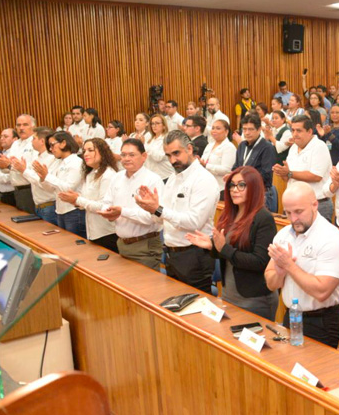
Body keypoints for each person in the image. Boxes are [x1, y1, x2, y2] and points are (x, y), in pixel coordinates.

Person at [265, 182, 339, 348]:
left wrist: (289, 266)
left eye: (298, 212)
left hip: (321, 321)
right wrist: (280, 273)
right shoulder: (283, 235)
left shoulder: (332, 238)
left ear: (315, 205)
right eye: (288, 213)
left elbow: (322, 291)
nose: (293, 219)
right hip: (291, 316)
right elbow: (270, 283)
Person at [187, 166, 279, 320]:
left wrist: (223, 248)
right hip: (229, 294)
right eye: (232, 185)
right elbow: (228, 251)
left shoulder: (264, 218)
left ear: (254, 188)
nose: (235, 190)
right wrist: (213, 246)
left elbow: (260, 262)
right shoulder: (230, 214)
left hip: (254, 299)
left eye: (241, 185)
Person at [133, 131, 218, 293]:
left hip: (194, 255)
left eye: (176, 153)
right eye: (168, 156)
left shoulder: (204, 179)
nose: (172, 160)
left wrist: (158, 209)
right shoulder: (173, 178)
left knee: (196, 307)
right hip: (171, 253)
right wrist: (150, 208)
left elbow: (194, 222)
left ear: (190, 149)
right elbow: (161, 220)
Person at [97, 139, 164, 269]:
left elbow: (153, 217)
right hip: (122, 244)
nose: (126, 159)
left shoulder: (153, 180)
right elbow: (107, 202)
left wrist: (122, 211)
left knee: (144, 282)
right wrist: (108, 212)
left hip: (144, 245)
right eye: (123, 155)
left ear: (144, 156)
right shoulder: (117, 177)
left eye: (132, 155)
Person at [58, 138, 119, 252]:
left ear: (103, 152)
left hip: (107, 232)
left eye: (90, 150)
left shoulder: (108, 174)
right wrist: (75, 200)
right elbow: (87, 201)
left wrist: (78, 199)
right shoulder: (90, 174)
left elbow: (104, 207)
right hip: (93, 231)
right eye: (84, 151)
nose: (85, 154)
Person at [273, 115, 333, 222]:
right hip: (293, 203)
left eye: (299, 131)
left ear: (309, 131)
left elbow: (316, 176)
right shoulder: (293, 148)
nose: (295, 134)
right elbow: (289, 178)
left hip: (316, 204)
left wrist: (289, 173)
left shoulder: (319, 146)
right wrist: (283, 173)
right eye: (293, 130)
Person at [35, 132, 86, 238]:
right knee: (64, 241)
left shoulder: (76, 162)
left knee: (74, 243)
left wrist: (47, 176)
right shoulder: (60, 163)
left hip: (73, 210)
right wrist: (43, 178)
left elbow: (68, 188)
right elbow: (51, 189)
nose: (51, 149)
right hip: (60, 210)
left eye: (52, 145)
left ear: (63, 143)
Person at [11, 126, 57, 224]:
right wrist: (22, 168)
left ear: (42, 141)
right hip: (38, 205)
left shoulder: (51, 158)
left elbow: (44, 183)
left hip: (49, 205)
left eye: (34, 138)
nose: (31, 141)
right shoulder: (37, 157)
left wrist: (24, 170)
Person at [0, 115, 39, 214]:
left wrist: (9, 165)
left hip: (30, 189)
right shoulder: (16, 144)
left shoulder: (35, 143)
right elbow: (9, 168)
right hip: (17, 190)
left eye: (25, 125)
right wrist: (3, 165)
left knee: (32, 220)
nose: (21, 128)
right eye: (18, 125)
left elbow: (33, 169)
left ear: (33, 127)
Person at [201, 119, 237, 199]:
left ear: (226, 131)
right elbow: (203, 161)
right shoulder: (209, 145)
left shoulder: (229, 147)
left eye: (218, 128)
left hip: (221, 188)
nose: (214, 131)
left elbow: (227, 169)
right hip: (207, 185)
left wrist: (206, 166)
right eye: (213, 128)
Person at [144, 114, 174, 182]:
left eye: (157, 123)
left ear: (164, 126)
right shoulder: (150, 139)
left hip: (164, 176)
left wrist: (145, 146)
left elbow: (158, 157)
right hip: (152, 175)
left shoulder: (166, 139)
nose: (154, 126)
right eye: (152, 124)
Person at [0, 129, 18, 207]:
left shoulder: (16, 154)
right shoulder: (1, 153)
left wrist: (0, 177)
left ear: (15, 139)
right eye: (1, 136)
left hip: (13, 194)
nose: (2, 139)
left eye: (5, 136)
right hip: (2, 194)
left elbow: (16, 175)